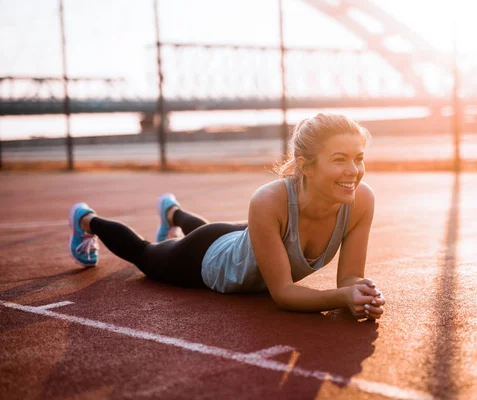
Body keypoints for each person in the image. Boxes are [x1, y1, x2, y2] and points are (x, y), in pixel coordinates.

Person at [68, 113, 385, 320]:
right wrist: (343, 298)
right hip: (208, 259)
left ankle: (174, 213)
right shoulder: (269, 200)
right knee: (145, 254)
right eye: (340, 159)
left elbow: (349, 278)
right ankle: (85, 219)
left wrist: (361, 293)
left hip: (241, 240)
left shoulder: (362, 200)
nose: (353, 171)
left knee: (224, 236)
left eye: (359, 158)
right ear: (305, 165)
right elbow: (284, 294)